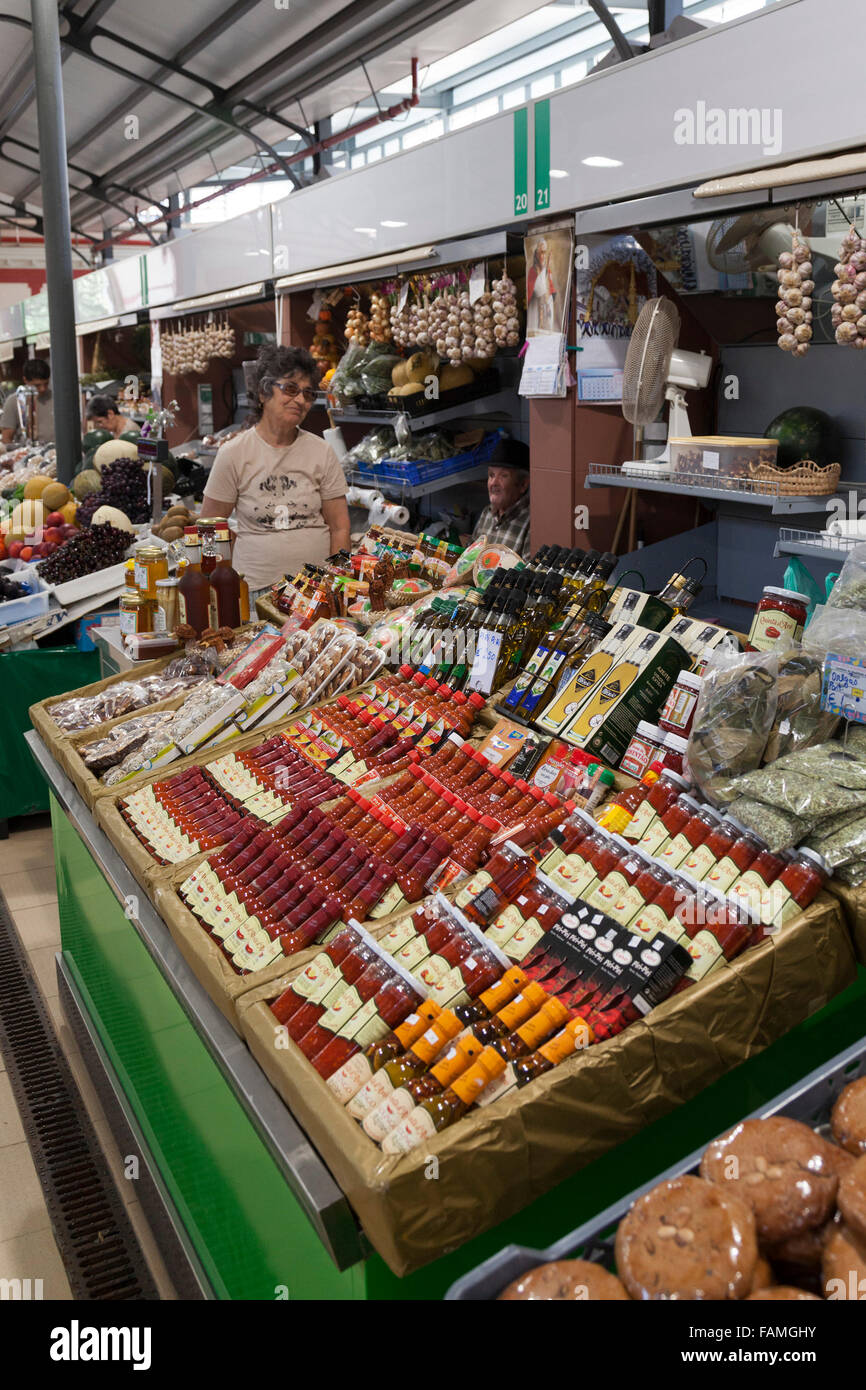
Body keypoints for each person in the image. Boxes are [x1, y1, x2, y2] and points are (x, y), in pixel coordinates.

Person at [198, 344, 351, 592]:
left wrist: (339, 583)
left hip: (316, 592)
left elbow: (340, 527)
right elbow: (209, 525)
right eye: (290, 389)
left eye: (308, 393)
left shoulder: (321, 452)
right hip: (255, 592)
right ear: (263, 393)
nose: (300, 400)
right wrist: (241, 559)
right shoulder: (233, 453)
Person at [471, 437, 531, 559]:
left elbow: (529, 576)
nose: (493, 483)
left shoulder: (532, 523)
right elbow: (468, 560)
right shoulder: (486, 514)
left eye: (503, 476)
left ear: (523, 484)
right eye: (491, 475)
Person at [0, 358, 54, 449]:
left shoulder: (56, 398)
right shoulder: (14, 401)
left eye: (46, 384)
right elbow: (6, 438)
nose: (43, 389)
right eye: (37, 385)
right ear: (25, 380)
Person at [527, 238, 557, 335]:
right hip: (536, 307)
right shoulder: (533, 271)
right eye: (541, 253)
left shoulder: (547, 270)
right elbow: (537, 289)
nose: (543, 256)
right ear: (536, 254)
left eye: (545, 253)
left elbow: (550, 286)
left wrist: (551, 295)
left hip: (547, 307)